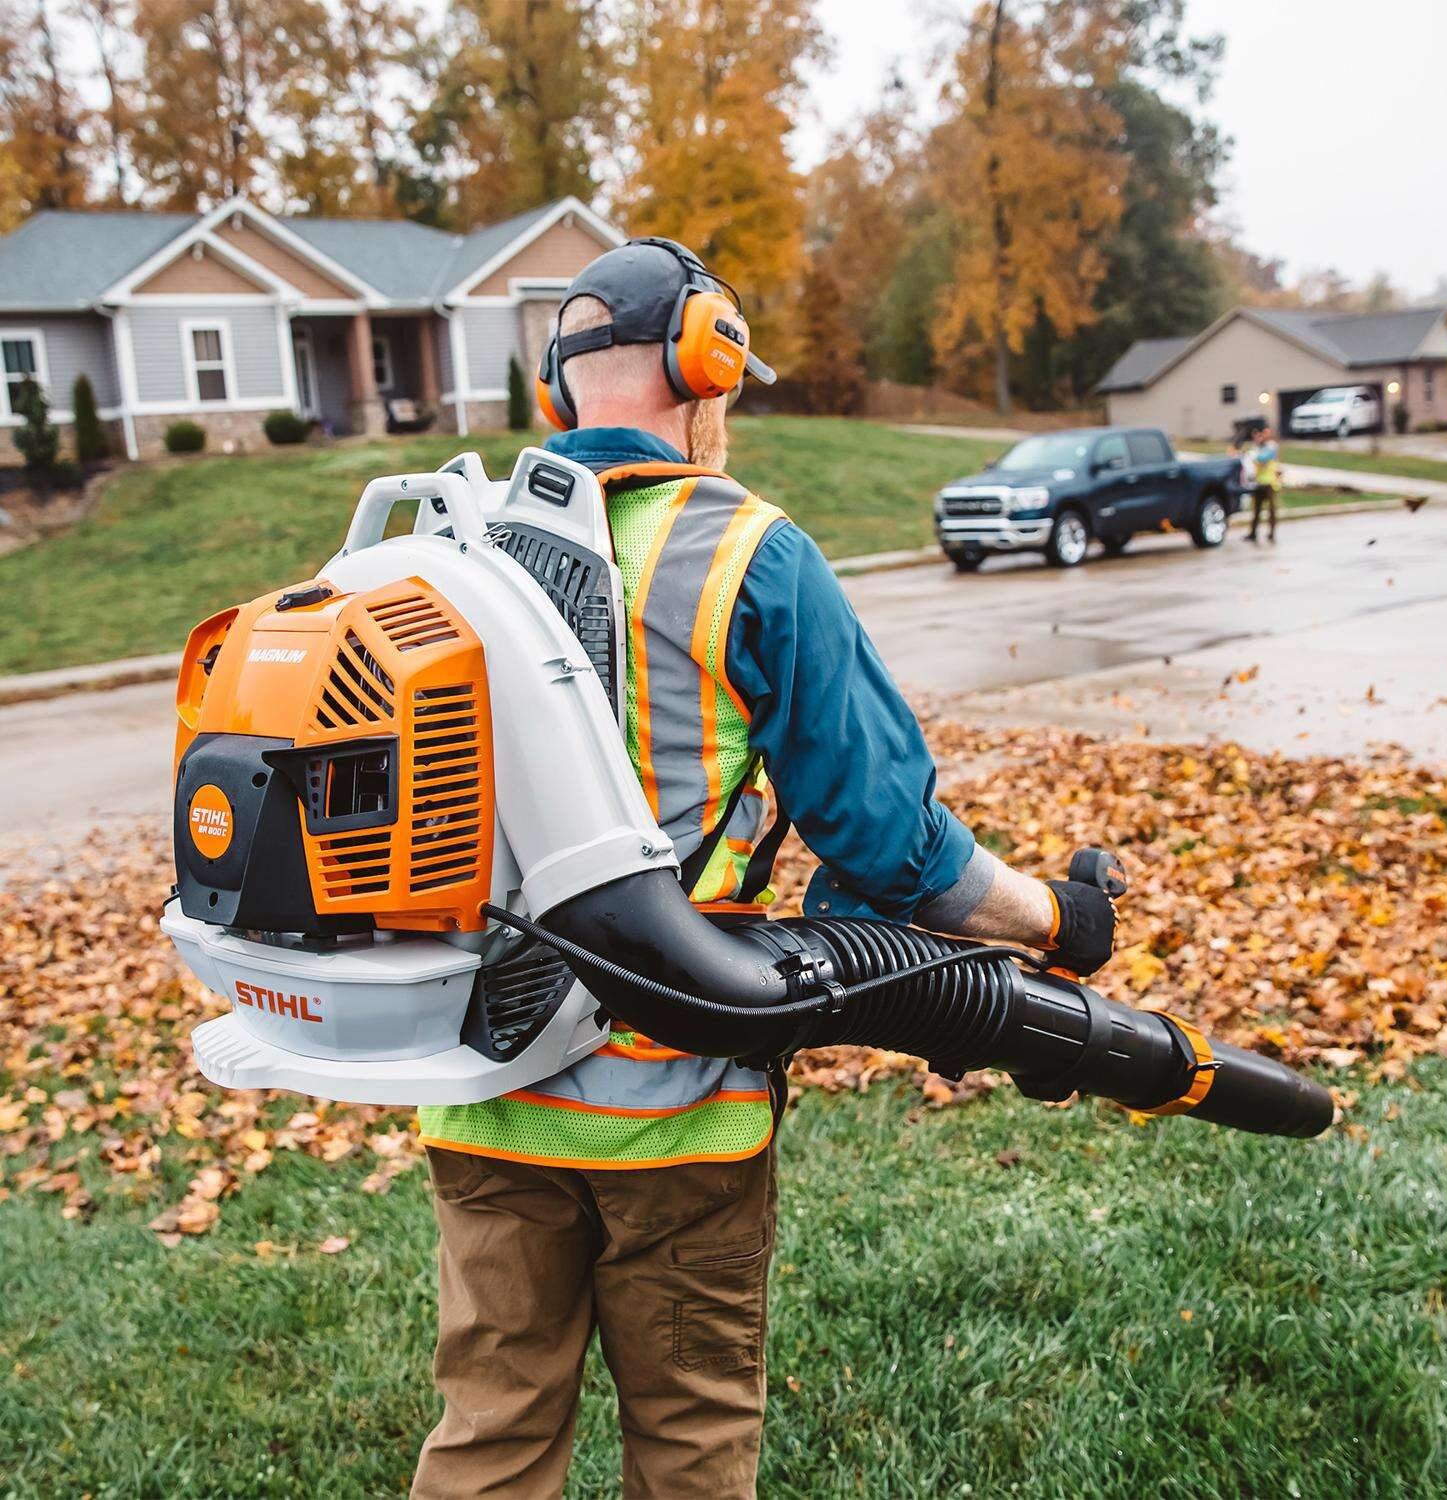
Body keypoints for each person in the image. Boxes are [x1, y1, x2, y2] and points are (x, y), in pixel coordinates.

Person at [409, 238, 1117, 1499]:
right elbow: (896, 856)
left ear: (558, 391)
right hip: (674, 1102)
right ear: (706, 365)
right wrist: (1056, 917)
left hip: (481, 1091)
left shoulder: (457, 551)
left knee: (490, 1436)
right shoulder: (745, 553)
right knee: (689, 1439)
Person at [1246, 423, 1282, 543]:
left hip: (1270, 484)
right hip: (1259, 483)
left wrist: (1255, 454)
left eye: (1266, 433)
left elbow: (1262, 458)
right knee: (1256, 510)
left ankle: (1272, 533)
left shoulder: (1272, 447)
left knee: (1271, 511)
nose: (1263, 436)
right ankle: (1253, 533)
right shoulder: (1257, 448)